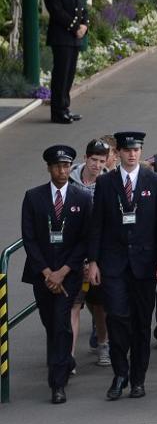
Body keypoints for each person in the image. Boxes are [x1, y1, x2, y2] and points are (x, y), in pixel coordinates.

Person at [86, 131, 157, 401]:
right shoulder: (106, 183)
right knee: (117, 317)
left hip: (145, 263)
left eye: (136, 150)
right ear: (118, 154)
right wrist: (94, 261)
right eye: (127, 150)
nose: (132, 154)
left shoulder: (155, 181)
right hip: (114, 263)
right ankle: (120, 372)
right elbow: (96, 224)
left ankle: (138, 379)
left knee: (142, 322)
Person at [21, 144, 92, 404]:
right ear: (49, 168)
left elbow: (85, 240)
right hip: (42, 273)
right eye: (57, 166)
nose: (62, 170)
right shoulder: (33, 197)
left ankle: (57, 382)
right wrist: (47, 272)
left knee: (62, 322)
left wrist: (62, 271)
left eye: (66, 166)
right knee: (50, 322)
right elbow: (29, 238)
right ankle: (65, 359)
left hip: (68, 273)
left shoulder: (82, 198)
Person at [43, 0, 89, 125]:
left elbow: (83, 9)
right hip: (62, 37)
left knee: (69, 75)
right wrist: (75, 27)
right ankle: (57, 112)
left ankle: (65, 108)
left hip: (74, 38)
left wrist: (85, 25)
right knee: (60, 76)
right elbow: (57, 12)